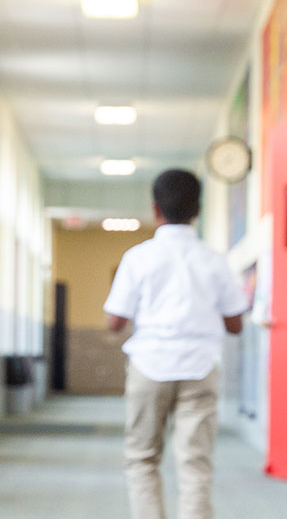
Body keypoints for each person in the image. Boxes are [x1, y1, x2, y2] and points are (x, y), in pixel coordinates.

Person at [103, 169, 248, 519]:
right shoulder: (215, 261)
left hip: (149, 365)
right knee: (195, 464)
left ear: (155, 209)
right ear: (197, 210)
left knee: (142, 459)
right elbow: (235, 324)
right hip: (199, 366)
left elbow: (114, 321)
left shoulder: (138, 257)